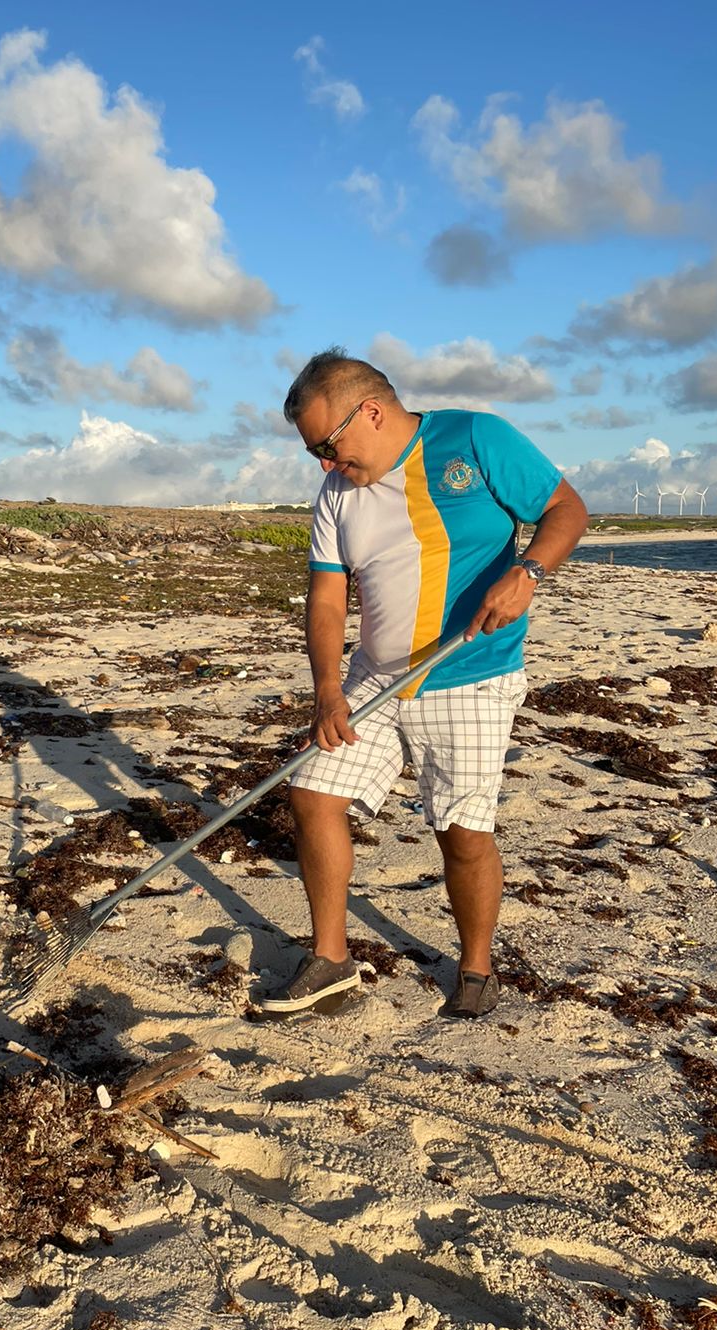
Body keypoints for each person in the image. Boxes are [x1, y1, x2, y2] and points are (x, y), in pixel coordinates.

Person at [260, 348, 587, 1021]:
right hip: (372, 681)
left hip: (469, 677)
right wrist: (328, 691)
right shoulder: (336, 495)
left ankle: (475, 967)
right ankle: (331, 960)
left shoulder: (475, 438)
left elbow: (565, 509)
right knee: (313, 793)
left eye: (329, 443)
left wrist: (528, 574)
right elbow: (325, 602)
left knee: (461, 833)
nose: (325, 463)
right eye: (313, 451)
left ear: (371, 412)